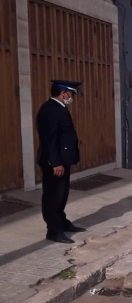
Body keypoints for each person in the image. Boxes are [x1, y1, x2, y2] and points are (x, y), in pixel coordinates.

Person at [36, 80, 86, 244]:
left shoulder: (59, 108)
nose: (71, 97)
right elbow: (48, 139)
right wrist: (55, 162)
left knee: (62, 194)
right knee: (53, 196)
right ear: (63, 93)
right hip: (54, 163)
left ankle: (62, 223)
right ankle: (53, 231)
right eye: (70, 94)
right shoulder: (50, 109)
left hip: (62, 160)